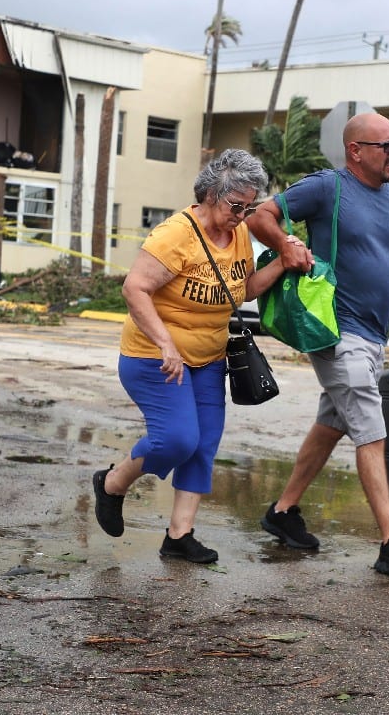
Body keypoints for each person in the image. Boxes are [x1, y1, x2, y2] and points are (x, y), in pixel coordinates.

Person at [246, 112, 389, 578]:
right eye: (386, 145)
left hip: (374, 336)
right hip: (334, 329)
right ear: (356, 150)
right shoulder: (327, 188)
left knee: (333, 421)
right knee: (370, 427)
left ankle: (283, 511)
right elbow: (260, 215)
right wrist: (288, 244)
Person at [90, 149, 288, 564]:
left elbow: (245, 289)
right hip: (154, 356)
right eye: (237, 206)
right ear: (211, 196)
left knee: (203, 445)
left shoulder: (237, 235)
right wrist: (165, 342)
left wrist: (284, 263)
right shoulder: (174, 235)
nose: (243, 215)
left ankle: (180, 535)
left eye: (249, 207)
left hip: (209, 359)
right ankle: (112, 483)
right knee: (177, 439)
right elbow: (134, 288)